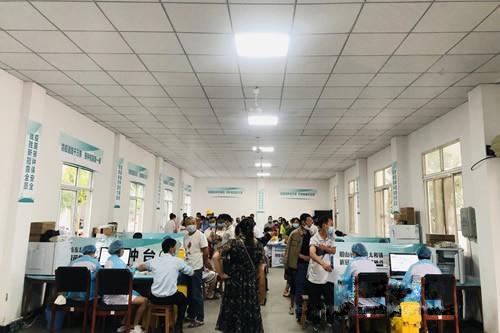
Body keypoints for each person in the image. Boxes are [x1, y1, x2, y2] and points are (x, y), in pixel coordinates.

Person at [213, 218, 266, 333]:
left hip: (234, 283)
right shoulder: (259, 245)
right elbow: (261, 270)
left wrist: (221, 274)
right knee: (249, 312)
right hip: (250, 284)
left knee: (234, 310)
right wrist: (262, 291)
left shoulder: (233, 243)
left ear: (240, 229)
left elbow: (215, 257)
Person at [137, 238, 193, 333]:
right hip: (171, 297)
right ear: (171, 249)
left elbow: (140, 267)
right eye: (175, 247)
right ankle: (178, 326)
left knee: (147, 292)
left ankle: (162, 324)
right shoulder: (177, 261)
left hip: (155, 298)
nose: (175, 249)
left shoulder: (154, 260)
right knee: (184, 300)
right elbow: (190, 272)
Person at [104, 240, 148, 333]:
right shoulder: (119, 263)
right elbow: (129, 274)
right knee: (144, 301)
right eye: (122, 249)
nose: (123, 251)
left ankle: (124, 325)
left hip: (107, 297)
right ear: (119, 250)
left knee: (134, 298)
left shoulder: (108, 261)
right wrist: (135, 268)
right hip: (119, 297)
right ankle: (135, 327)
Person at [307, 215, 336, 331]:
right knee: (315, 302)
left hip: (329, 277)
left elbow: (333, 250)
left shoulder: (331, 238)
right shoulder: (314, 238)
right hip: (316, 276)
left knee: (330, 302)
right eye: (330, 224)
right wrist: (323, 264)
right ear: (324, 225)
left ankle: (330, 323)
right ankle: (315, 323)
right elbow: (312, 254)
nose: (331, 227)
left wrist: (324, 247)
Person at [183, 217, 209, 327]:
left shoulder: (200, 235)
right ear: (185, 225)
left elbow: (206, 252)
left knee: (196, 293)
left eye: (192, 223)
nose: (190, 225)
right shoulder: (185, 236)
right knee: (189, 294)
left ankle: (199, 318)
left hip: (196, 268)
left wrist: (203, 265)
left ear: (196, 224)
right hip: (187, 267)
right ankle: (191, 315)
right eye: (188, 223)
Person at [339, 243, 380, 308]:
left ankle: (343, 314)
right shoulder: (373, 264)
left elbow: (345, 280)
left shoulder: (353, 263)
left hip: (357, 300)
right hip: (374, 301)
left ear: (354, 253)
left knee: (341, 289)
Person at [294, 213, 314, 320]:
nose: (311, 223)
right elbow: (294, 251)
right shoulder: (297, 233)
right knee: (300, 289)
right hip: (301, 265)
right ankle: (299, 313)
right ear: (303, 222)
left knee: (308, 289)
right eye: (309, 220)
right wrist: (303, 257)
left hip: (310, 265)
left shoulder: (310, 234)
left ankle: (307, 314)